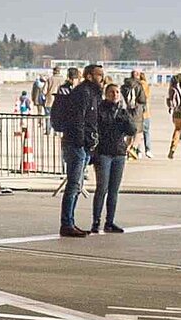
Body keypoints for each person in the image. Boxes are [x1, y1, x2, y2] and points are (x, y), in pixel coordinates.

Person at [54, 64, 103, 238]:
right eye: (98, 75)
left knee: (77, 185)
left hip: (81, 144)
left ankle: (70, 221)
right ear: (89, 76)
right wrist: (83, 141)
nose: (101, 78)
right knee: (73, 185)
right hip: (75, 144)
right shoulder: (83, 93)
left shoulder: (91, 93)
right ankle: (67, 223)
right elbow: (78, 119)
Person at [92, 82, 134, 234]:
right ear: (106, 94)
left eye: (117, 92)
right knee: (102, 188)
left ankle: (109, 221)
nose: (115, 95)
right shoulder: (101, 110)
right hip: (104, 152)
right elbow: (100, 126)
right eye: (111, 92)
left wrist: (125, 118)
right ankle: (96, 221)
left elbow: (132, 130)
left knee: (114, 190)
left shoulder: (122, 111)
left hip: (119, 152)